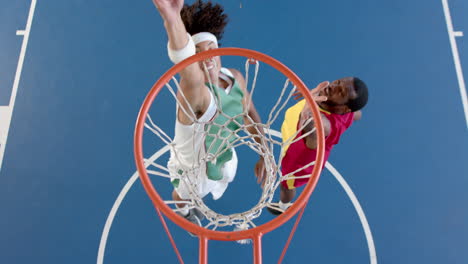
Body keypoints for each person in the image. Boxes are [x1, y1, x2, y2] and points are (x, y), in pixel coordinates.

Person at [152, 0, 266, 227]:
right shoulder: (194, 93)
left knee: (223, 174)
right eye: (196, 52)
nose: (206, 57)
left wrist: (265, 151)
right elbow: (189, 72)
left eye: (210, 50)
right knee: (183, 194)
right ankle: (183, 210)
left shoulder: (234, 77)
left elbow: (250, 113)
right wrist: (172, 20)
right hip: (193, 167)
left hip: (222, 152)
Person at [266, 77, 369, 215]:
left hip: (299, 157)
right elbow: (357, 114)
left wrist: (308, 109)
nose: (333, 86)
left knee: (286, 185)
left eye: (341, 92)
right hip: (301, 135)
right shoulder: (348, 112)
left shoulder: (324, 125)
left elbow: (316, 124)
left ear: (344, 108)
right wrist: (312, 96)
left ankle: (283, 206)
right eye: (338, 82)